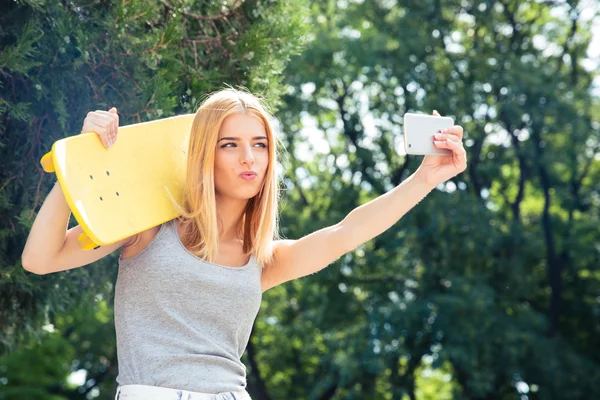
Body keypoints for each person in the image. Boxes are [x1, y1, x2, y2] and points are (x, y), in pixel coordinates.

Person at [21, 88, 467, 400]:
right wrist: (76, 160)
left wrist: (425, 178)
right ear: (204, 154)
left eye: (259, 144)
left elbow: (346, 232)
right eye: (229, 144)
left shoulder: (262, 259)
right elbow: (40, 259)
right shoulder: (148, 225)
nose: (248, 158)